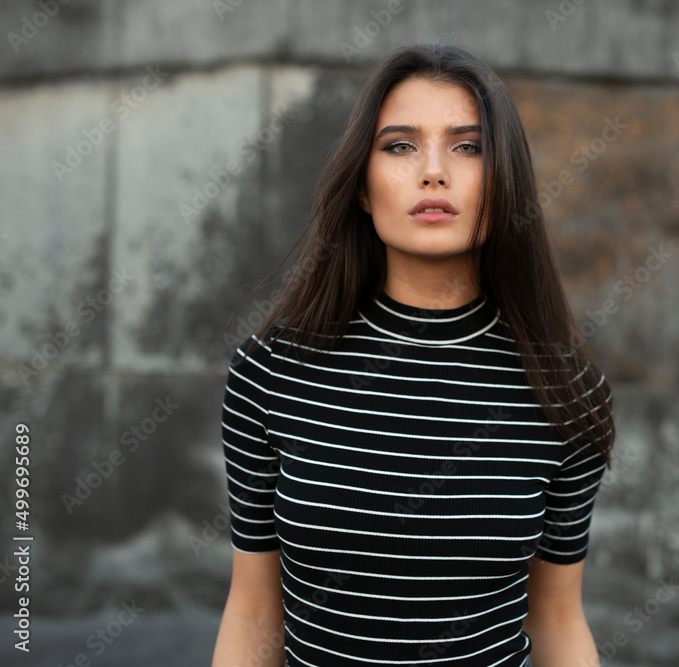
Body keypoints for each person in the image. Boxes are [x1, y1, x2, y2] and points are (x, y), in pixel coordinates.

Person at [211, 40, 616, 667]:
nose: (434, 171)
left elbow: (559, 619)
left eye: (468, 146)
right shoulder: (271, 372)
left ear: (505, 180)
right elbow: (253, 611)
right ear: (364, 189)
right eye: (400, 145)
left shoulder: (564, 390)